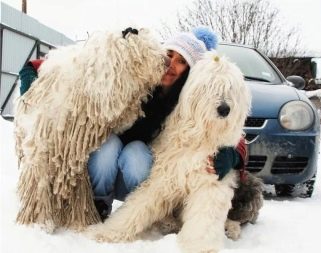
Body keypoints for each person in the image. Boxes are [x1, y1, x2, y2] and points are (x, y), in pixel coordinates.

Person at [18, 27, 247, 221]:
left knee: (136, 152)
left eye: (181, 62)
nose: (171, 64)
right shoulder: (134, 75)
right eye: (169, 54)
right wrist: (32, 83)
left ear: (189, 71)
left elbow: (233, 133)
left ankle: (137, 212)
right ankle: (98, 204)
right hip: (104, 163)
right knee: (108, 146)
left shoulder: (187, 102)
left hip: (141, 170)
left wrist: (232, 155)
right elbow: (69, 66)